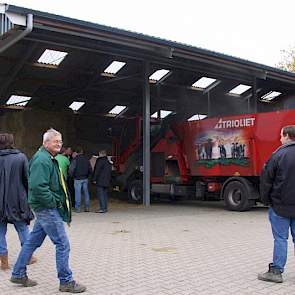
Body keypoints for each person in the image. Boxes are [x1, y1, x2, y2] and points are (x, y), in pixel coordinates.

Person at [10, 128, 86, 293]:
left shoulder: (48, 158)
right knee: (63, 244)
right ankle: (66, 281)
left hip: (44, 208)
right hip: (46, 208)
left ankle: (17, 273)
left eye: (60, 141)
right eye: (55, 141)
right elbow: (38, 187)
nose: (59, 144)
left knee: (32, 242)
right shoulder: (42, 160)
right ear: (45, 143)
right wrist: (53, 203)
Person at [258, 125, 295, 283]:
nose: (280, 138)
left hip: (280, 206)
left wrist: (266, 200)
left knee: (280, 239)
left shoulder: (278, 154)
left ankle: (276, 272)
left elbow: (266, 180)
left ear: (287, 135)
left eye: (281, 135)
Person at [0, 133, 36, 270]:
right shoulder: (20, 157)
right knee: (22, 228)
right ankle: (28, 257)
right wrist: (29, 197)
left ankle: (3, 261)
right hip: (17, 200)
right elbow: (28, 180)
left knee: (0, 231)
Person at [69, 147, 92, 213]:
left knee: (78, 193)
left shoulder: (75, 159)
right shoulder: (86, 159)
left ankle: (78, 208)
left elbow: (71, 169)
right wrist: (88, 175)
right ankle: (87, 207)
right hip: (85, 178)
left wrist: (72, 176)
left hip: (77, 179)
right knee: (86, 193)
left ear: (76, 152)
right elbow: (90, 169)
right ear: (82, 152)